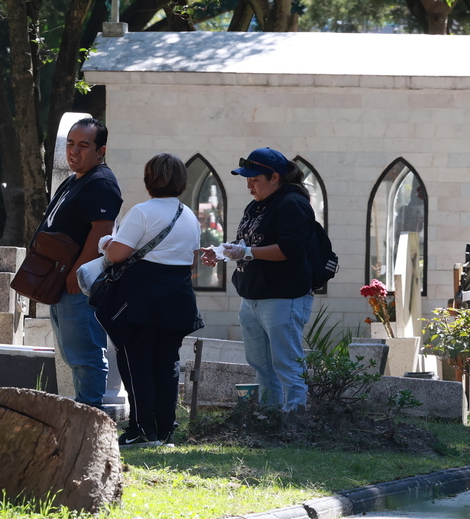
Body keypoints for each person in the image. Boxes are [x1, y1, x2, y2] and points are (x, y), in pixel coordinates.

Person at [101, 153, 202, 446]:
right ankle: (165, 428)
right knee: (168, 363)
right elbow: (191, 259)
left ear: (149, 180)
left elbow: (117, 254)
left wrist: (105, 244)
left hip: (143, 298)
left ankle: (142, 428)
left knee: (138, 363)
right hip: (178, 297)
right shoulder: (189, 215)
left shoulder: (142, 212)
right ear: (182, 182)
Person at [203, 148, 315, 412]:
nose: (249, 185)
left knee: (287, 364)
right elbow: (250, 244)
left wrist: (248, 252)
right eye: (247, 179)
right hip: (252, 296)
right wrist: (223, 252)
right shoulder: (256, 205)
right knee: (261, 365)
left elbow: (290, 249)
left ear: (274, 177)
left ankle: (295, 419)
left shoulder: (292, 203)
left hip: (283, 296)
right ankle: (270, 417)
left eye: (255, 179)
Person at [38, 117, 122, 408]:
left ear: (101, 151)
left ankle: (90, 415)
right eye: (71, 144)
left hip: (80, 284)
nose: (74, 151)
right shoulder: (76, 179)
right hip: (59, 280)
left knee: (86, 354)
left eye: (84, 145)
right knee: (72, 354)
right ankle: (81, 412)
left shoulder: (100, 182)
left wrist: (77, 274)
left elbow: (102, 231)